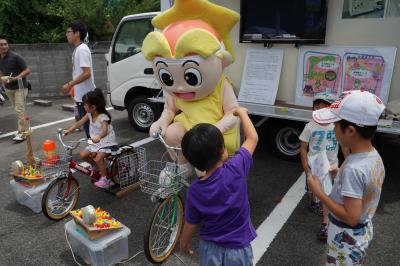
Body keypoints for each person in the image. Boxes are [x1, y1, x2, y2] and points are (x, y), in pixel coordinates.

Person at [308, 90, 385, 265]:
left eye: (335, 124)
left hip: (346, 238)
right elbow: (364, 184)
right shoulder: (373, 155)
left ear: (350, 131)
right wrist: (339, 172)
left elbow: (351, 217)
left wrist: (319, 193)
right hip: (362, 232)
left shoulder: (353, 169)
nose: (333, 128)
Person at [180, 106, 258, 266]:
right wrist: (242, 113)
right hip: (239, 249)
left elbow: (191, 223)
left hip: (210, 249)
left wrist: (184, 243)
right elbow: (252, 138)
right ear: (223, 149)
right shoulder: (236, 168)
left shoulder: (194, 191)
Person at [299, 92, 342, 240]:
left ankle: (325, 223)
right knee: (311, 188)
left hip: (331, 167)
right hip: (314, 165)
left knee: (328, 195)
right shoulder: (309, 126)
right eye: (316, 105)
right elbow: (303, 148)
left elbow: (344, 146)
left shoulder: (336, 126)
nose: (318, 107)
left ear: (330, 108)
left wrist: (346, 164)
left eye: (323, 105)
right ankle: (311, 202)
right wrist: (306, 169)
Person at [64, 88, 118, 189]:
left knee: (98, 158)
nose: (83, 106)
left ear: (93, 107)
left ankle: (105, 179)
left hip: (108, 143)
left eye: (85, 104)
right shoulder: (89, 115)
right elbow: (79, 123)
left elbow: (105, 131)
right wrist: (68, 130)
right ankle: (98, 167)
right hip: (97, 142)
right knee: (83, 155)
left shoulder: (102, 117)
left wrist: (99, 136)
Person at [62, 20, 95, 138]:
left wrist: (69, 84)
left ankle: (96, 154)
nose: (66, 34)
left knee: (91, 131)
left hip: (86, 99)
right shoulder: (78, 49)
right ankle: (94, 153)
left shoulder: (82, 50)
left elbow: (87, 73)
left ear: (77, 33)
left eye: (68, 31)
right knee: (89, 130)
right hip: (82, 97)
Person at [0, 33, 31, 142]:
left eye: (5, 44)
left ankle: (22, 133)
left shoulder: (15, 56)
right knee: (18, 110)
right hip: (8, 88)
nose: (4, 46)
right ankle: (25, 129)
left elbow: (27, 70)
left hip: (20, 87)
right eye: (1, 45)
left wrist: (16, 77)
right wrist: (3, 84)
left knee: (19, 109)